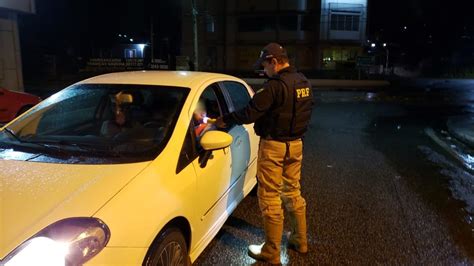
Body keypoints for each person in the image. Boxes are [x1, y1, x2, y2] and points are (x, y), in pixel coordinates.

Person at [216, 43, 313, 264]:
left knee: (269, 197)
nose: (264, 70)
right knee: (293, 192)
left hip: (275, 146)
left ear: (274, 61)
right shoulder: (303, 82)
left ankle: (271, 251)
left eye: (265, 65)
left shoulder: (274, 87)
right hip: (296, 145)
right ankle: (300, 240)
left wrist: (225, 119)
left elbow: (250, 113)